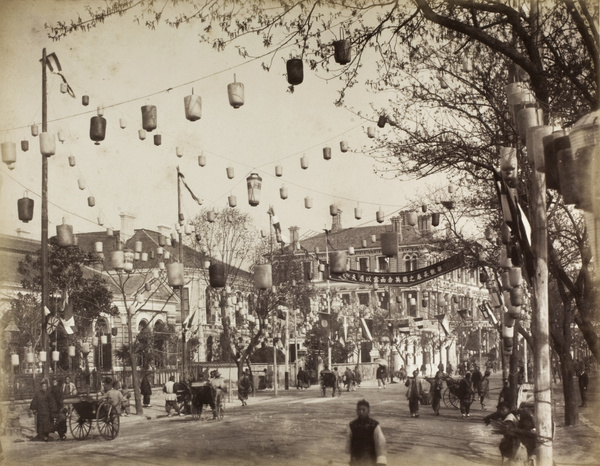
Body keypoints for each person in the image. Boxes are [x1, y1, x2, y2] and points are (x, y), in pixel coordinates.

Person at [345, 399, 387, 466]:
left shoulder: (374, 425)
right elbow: (348, 442)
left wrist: (381, 459)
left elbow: (380, 443)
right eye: (359, 410)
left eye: (363, 410)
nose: (361, 412)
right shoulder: (352, 425)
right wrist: (347, 457)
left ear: (368, 411)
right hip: (355, 459)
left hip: (370, 459)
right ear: (356, 411)